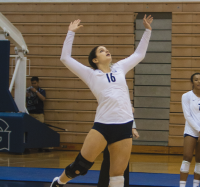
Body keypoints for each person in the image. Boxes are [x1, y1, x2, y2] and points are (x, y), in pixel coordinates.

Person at [50, 15, 153, 187]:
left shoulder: (120, 67)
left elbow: (139, 54)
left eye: (106, 49)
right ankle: (59, 182)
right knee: (80, 167)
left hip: (124, 125)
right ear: (95, 60)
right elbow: (65, 58)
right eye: (101, 50)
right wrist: (70, 34)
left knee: (118, 176)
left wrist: (148, 30)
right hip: (103, 126)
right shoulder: (90, 74)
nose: (106, 50)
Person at [179, 73, 200, 187]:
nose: (199, 82)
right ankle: (182, 185)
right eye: (196, 80)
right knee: (187, 157)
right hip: (191, 131)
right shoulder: (186, 96)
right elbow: (187, 116)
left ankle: (195, 185)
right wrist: (199, 130)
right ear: (192, 82)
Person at [98, 107, 140, 187]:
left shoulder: (124, 97)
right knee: (108, 160)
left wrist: (133, 128)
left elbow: (130, 112)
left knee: (124, 161)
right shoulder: (109, 98)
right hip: (110, 129)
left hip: (125, 132)